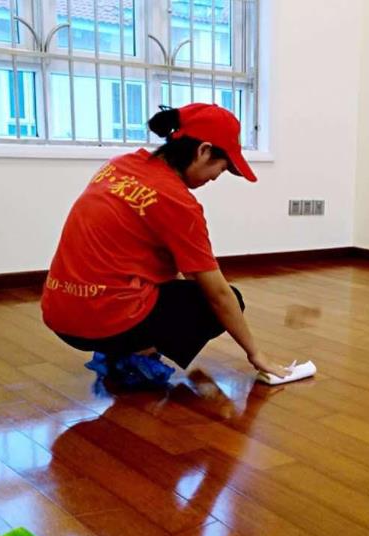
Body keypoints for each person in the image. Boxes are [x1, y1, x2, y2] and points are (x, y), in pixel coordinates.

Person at [41, 103, 289, 389]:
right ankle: (133, 354)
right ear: (204, 151)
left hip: (59, 312)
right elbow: (218, 295)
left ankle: (120, 346)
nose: (215, 178)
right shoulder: (177, 202)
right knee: (228, 300)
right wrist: (256, 354)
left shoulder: (119, 165)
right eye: (221, 169)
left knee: (178, 284)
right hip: (103, 319)